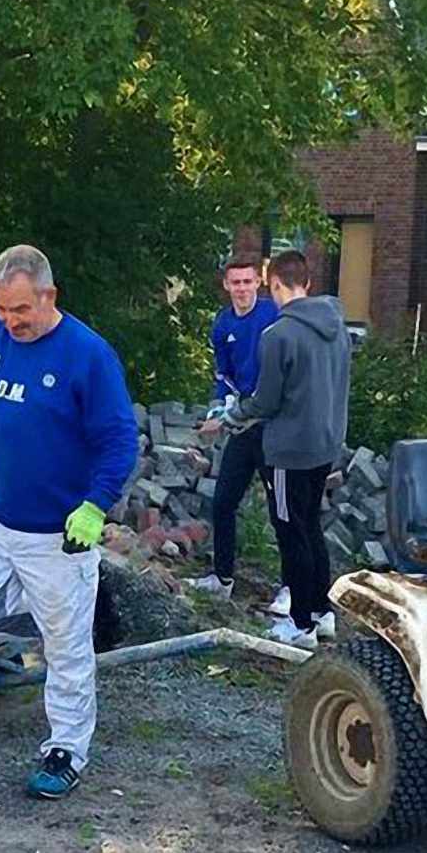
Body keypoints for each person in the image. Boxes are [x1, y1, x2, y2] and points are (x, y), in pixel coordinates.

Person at [0, 244, 138, 799]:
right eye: (1, 308)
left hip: (57, 536)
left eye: (20, 309)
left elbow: (120, 440)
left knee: (68, 653)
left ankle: (66, 750)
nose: (10, 320)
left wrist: (96, 504)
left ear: (49, 296)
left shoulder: (87, 355)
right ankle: (52, 616)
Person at [213, 250, 349, 650]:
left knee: (290, 532)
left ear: (272, 284)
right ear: (305, 282)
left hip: (289, 451)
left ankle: (300, 623)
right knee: (311, 526)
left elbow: (266, 402)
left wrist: (233, 416)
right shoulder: (337, 325)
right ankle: (324, 614)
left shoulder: (279, 334)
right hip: (325, 444)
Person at [187, 255, 280, 603]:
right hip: (242, 426)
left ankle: (290, 588)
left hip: (273, 426)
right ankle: (223, 577)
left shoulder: (274, 316)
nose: (242, 289)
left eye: (247, 282)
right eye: (235, 283)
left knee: (280, 510)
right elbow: (223, 377)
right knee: (223, 500)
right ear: (226, 285)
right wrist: (218, 409)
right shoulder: (222, 323)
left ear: (259, 282)